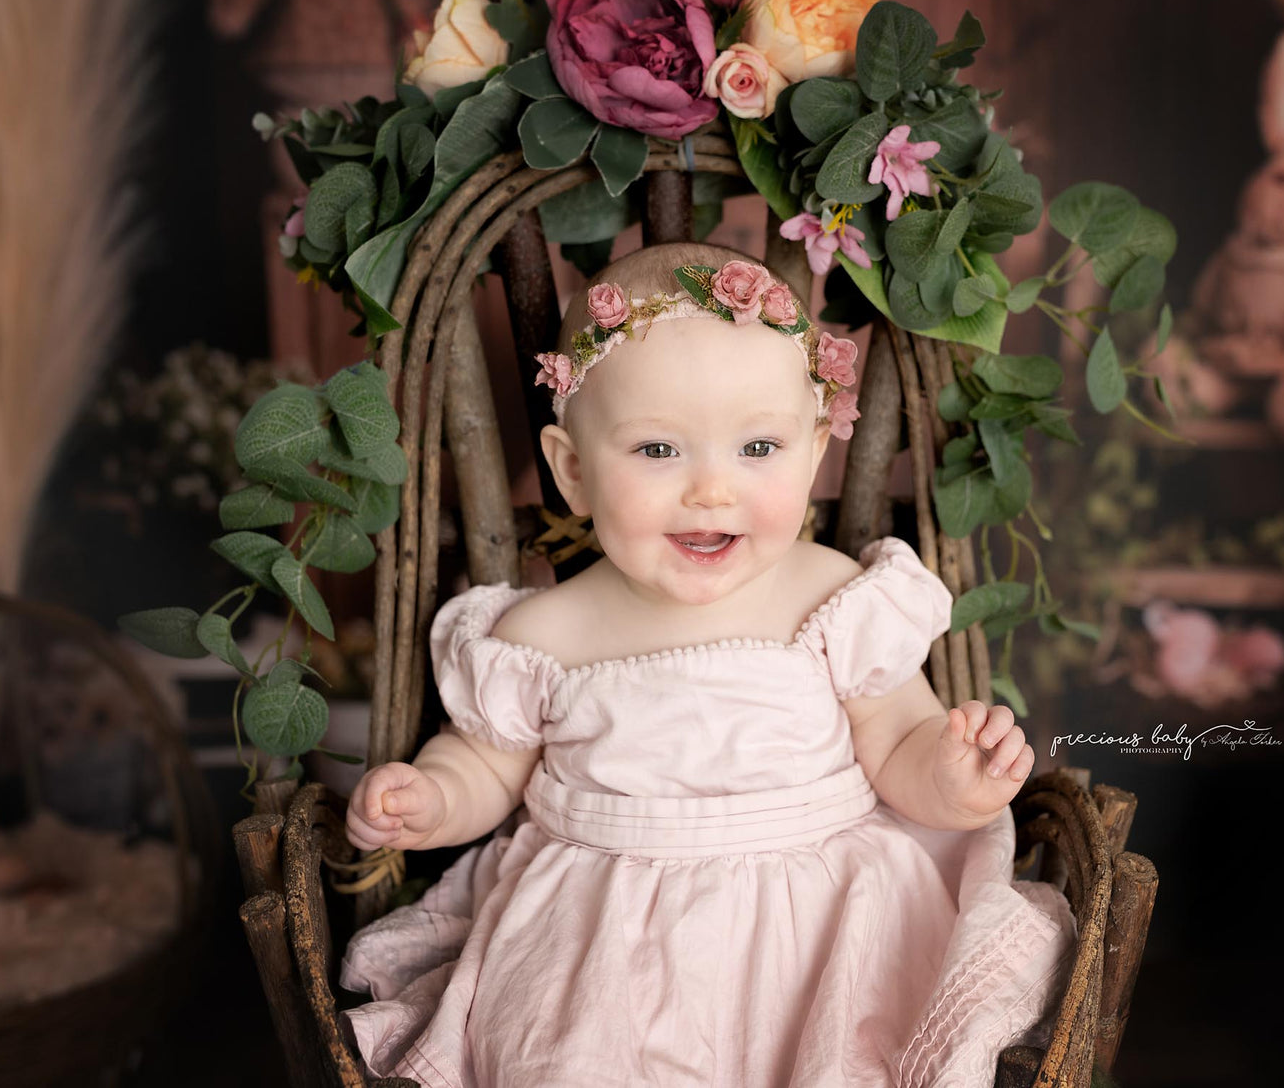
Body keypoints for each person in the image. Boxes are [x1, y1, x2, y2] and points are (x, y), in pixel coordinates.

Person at [338, 242, 1076, 1086]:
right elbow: (484, 764)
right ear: (573, 471)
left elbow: (900, 740)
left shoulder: (835, 600)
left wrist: (948, 780)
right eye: (658, 451)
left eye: (758, 449)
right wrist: (431, 799)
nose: (711, 491)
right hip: (598, 953)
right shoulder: (543, 634)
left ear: (812, 455)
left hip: (824, 933)